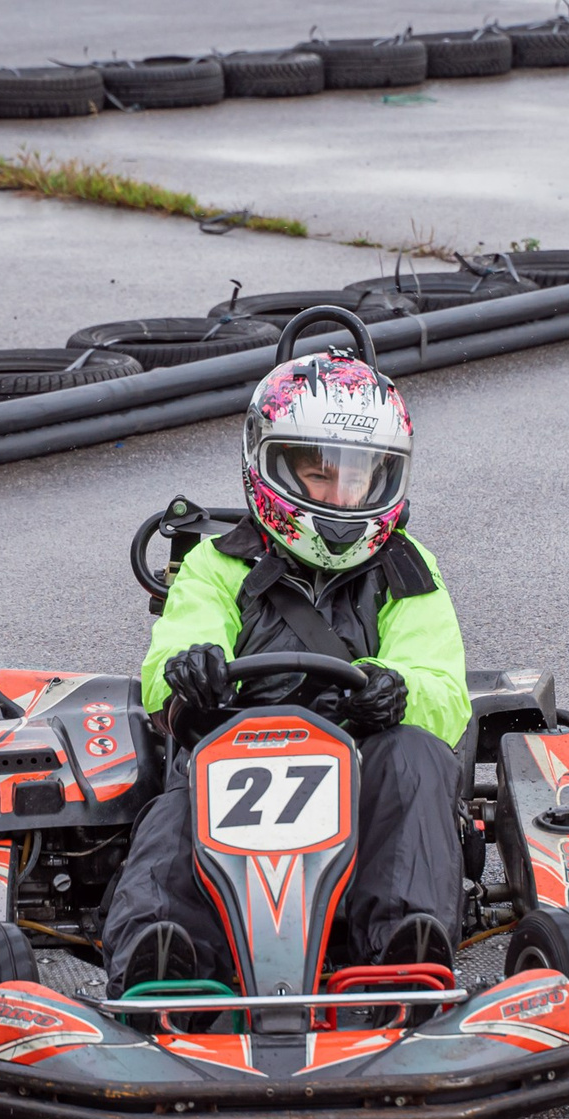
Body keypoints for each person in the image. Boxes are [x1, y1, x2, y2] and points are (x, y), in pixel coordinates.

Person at [102, 341, 470, 1000]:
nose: (339, 493)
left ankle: (401, 951)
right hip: (237, 757)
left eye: (359, 477)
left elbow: (444, 690)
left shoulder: (409, 571)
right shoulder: (219, 564)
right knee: (175, 803)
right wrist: (192, 671)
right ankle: (165, 955)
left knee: (415, 757)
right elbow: (167, 658)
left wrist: (398, 691)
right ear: (269, 466)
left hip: (362, 774)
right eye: (319, 474)